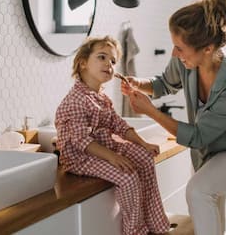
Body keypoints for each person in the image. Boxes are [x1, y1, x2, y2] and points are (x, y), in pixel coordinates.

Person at [121, 0, 226, 235]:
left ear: (208, 48)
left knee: (199, 191)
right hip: (209, 150)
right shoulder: (185, 61)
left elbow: (198, 136)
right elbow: (164, 84)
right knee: (211, 209)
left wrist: (151, 111)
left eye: (180, 48)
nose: (174, 53)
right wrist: (138, 83)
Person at [55, 36, 171, 235]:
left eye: (113, 61)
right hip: (80, 158)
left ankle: (155, 222)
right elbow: (83, 142)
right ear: (83, 63)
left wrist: (143, 144)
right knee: (128, 177)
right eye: (102, 57)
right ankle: (135, 230)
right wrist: (114, 157)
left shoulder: (101, 98)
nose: (109, 64)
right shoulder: (75, 101)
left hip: (103, 148)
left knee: (145, 159)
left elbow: (119, 125)